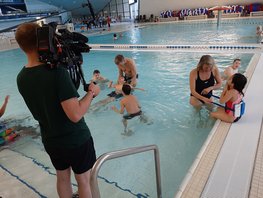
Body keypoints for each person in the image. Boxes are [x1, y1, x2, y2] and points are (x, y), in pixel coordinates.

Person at [15, 22, 100, 198]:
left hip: (51, 140)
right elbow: (75, 114)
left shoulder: (21, 77)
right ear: (43, 40)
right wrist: (91, 93)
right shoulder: (56, 73)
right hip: (75, 140)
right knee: (83, 180)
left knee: (62, 178)